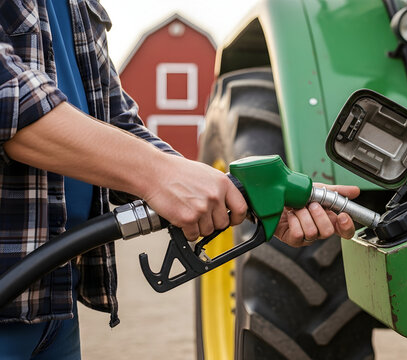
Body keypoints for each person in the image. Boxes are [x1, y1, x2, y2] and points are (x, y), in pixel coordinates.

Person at [0, 0, 359, 358]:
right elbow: (8, 98)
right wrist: (157, 175)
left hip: (54, 302)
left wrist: (242, 197)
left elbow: (116, 121)